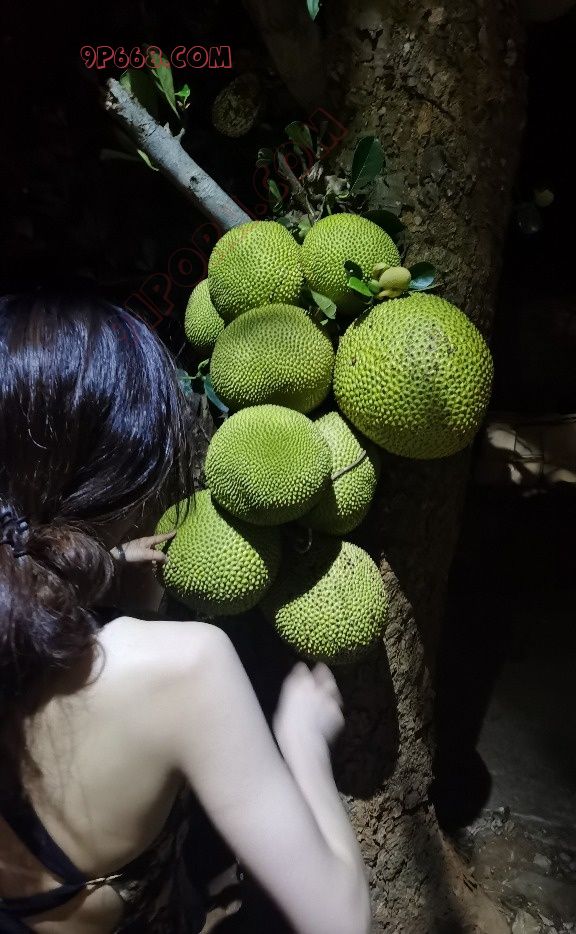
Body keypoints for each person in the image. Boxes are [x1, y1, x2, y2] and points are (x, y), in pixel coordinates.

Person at [0, 293, 372, 934]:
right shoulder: (185, 666)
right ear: (134, 473)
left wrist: (107, 564)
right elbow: (342, 922)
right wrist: (301, 741)